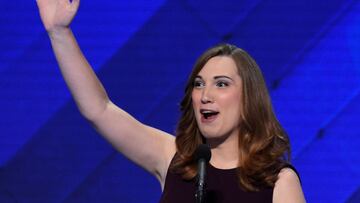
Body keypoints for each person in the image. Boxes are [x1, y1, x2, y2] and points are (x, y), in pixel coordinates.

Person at [36, 0, 306, 202]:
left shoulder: (278, 183)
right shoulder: (175, 159)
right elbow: (99, 110)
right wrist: (59, 33)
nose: (205, 95)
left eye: (221, 84)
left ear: (250, 100)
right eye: (199, 84)